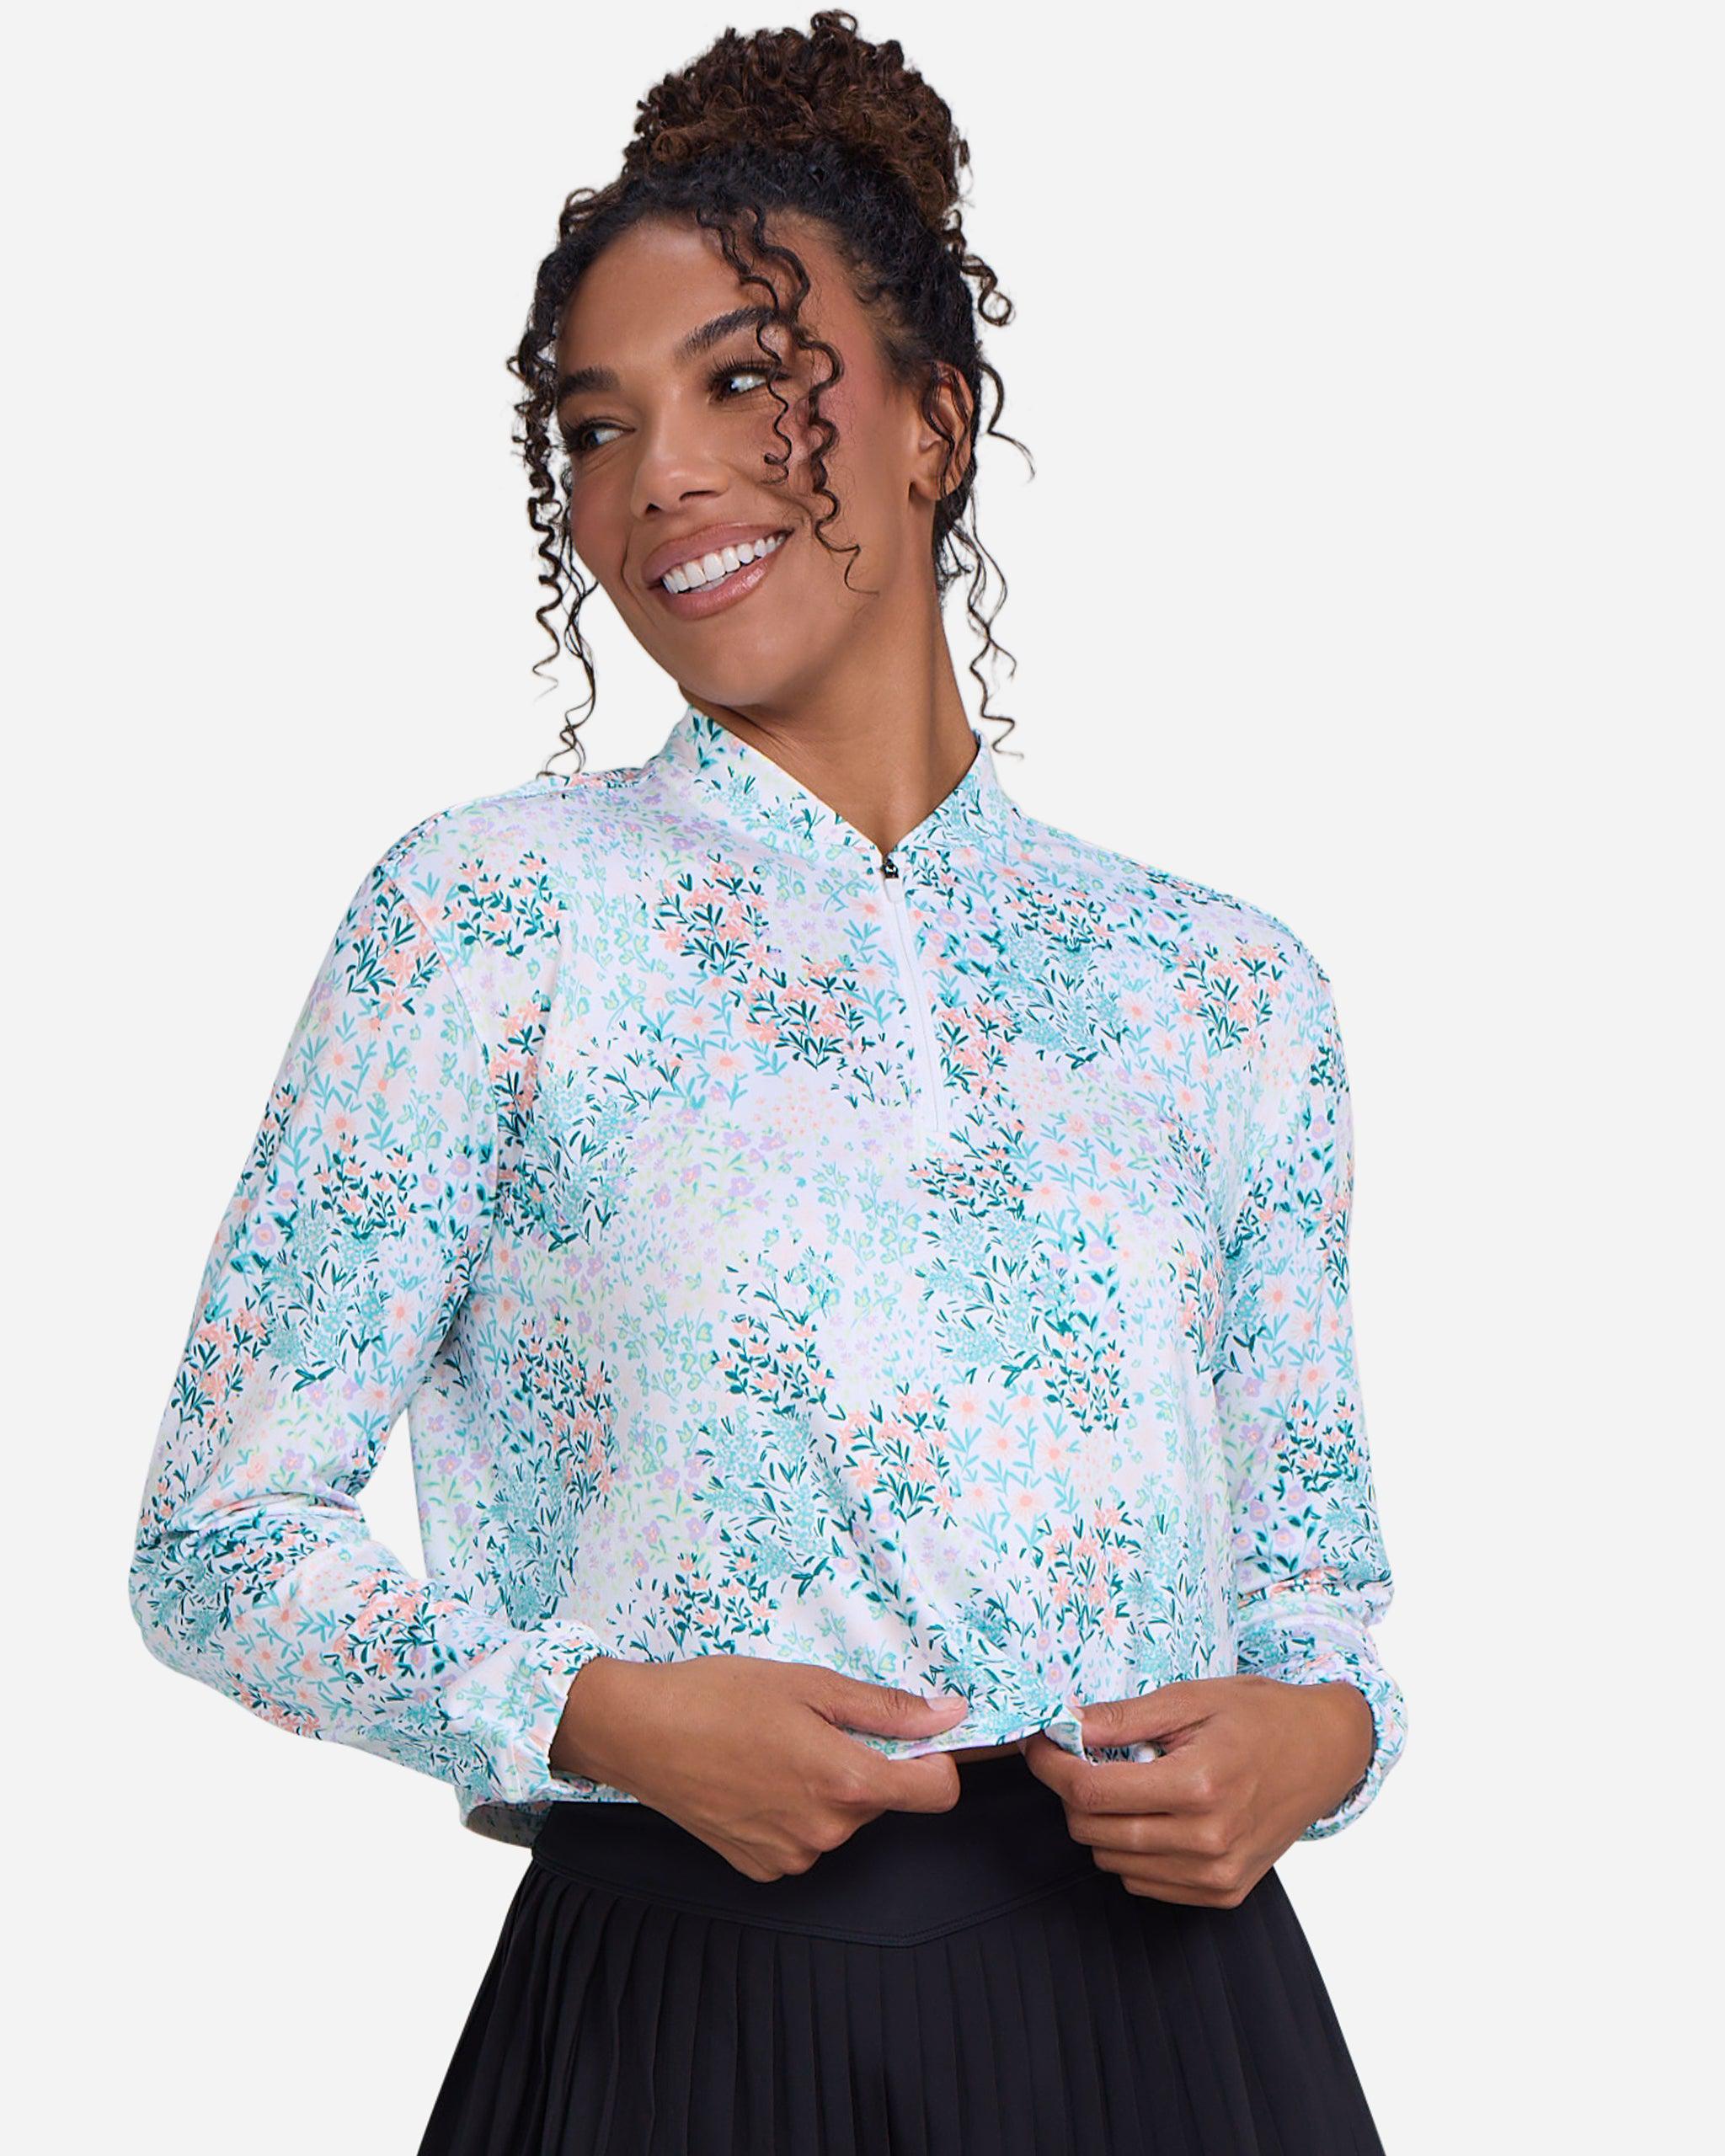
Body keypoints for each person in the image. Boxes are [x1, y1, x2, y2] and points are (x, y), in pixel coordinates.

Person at [129, 13, 1407, 2151]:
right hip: (687, 2013)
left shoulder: (1221, 987)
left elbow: (1319, 1590)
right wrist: (598, 1716)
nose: (660, 480)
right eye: (597, 425)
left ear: (937, 424)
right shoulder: (489, 919)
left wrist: (1322, 1740)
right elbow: (216, 1539)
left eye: (744, 382)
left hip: (1176, 2029)